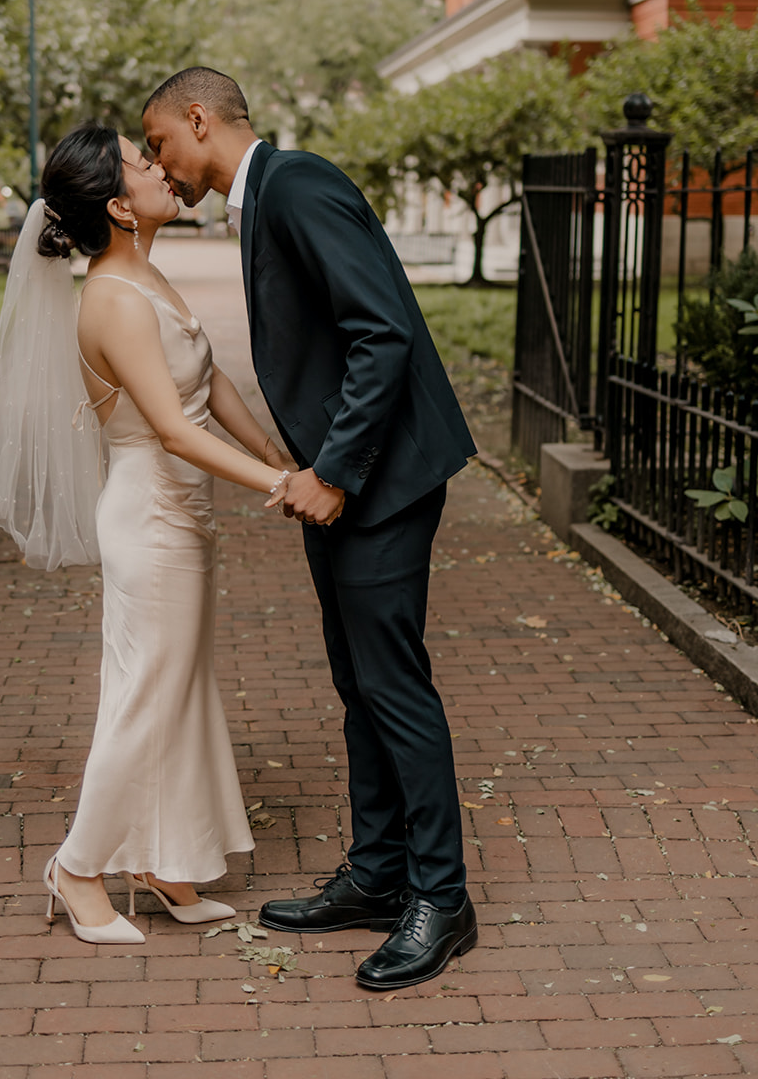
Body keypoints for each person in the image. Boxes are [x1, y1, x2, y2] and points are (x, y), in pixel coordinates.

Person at [142, 68, 478, 991]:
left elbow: (383, 334)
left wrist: (332, 472)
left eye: (159, 141)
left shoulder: (297, 184)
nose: (157, 164)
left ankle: (441, 898)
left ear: (198, 119)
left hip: (382, 478)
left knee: (393, 685)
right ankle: (378, 874)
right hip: (342, 478)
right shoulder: (263, 198)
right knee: (357, 682)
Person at [0, 123, 294, 943]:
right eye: (141, 161)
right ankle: (78, 868)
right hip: (151, 518)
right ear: (120, 205)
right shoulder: (113, 299)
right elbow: (174, 430)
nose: (161, 168)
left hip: (182, 517)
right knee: (143, 699)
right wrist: (286, 486)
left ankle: (160, 861)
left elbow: (208, 378)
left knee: (178, 691)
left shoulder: (144, 273)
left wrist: (274, 448)